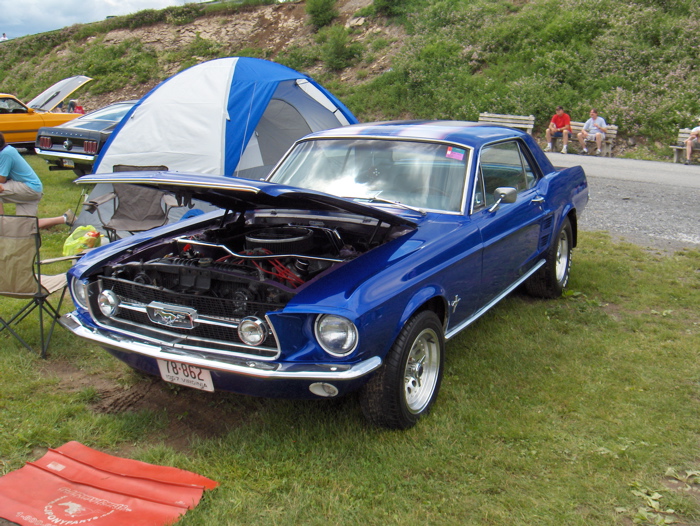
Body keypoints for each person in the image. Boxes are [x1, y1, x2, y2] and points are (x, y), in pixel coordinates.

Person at [0, 132, 74, 228]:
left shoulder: (6, 153)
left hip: (28, 188)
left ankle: (1, 226)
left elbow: (1, 179)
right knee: (26, 227)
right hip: (31, 189)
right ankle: (66, 218)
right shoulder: (6, 151)